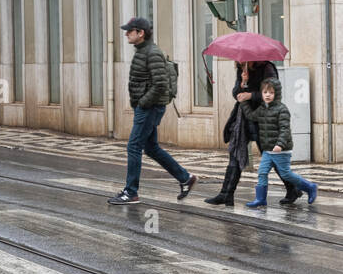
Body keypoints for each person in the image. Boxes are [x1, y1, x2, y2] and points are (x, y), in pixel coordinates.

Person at [108, 18, 197, 206]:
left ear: (141, 33)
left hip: (150, 108)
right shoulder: (143, 51)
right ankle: (185, 178)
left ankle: (131, 192)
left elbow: (160, 84)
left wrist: (143, 103)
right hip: (146, 107)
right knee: (150, 147)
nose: (126, 34)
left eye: (130, 31)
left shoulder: (152, 53)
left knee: (133, 146)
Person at [205, 60, 299, 206]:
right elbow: (236, 93)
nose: (239, 61)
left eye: (242, 59)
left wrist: (250, 95)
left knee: (272, 157)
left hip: (264, 119)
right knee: (235, 153)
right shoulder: (242, 69)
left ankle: (293, 188)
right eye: (238, 59)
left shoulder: (267, 68)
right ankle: (226, 194)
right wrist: (242, 83)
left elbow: (274, 93)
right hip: (244, 118)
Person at [242, 78, 317, 208]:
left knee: (285, 174)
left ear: (276, 94)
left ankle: (310, 187)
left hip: (281, 150)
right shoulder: (262, 109)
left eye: (271, 92)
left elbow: (285, 129)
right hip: (267, 150)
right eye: (265, 92)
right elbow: (251, 116)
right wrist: (243, 102)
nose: (267, 95)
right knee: (262, 172)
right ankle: (260, 199)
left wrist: (280, 144)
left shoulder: (282, 109)